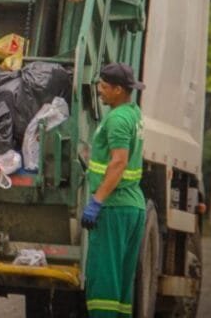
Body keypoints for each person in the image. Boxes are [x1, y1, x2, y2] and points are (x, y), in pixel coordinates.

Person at [81, 62, 147, 317]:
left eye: (104, 86)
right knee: (121, 286)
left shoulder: (117, 119)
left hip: (114, 208)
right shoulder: (133, 113)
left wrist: (97, 201)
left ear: (118, 90)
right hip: (132, 207)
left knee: (104, 282)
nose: (99, 90)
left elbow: (119, 161)